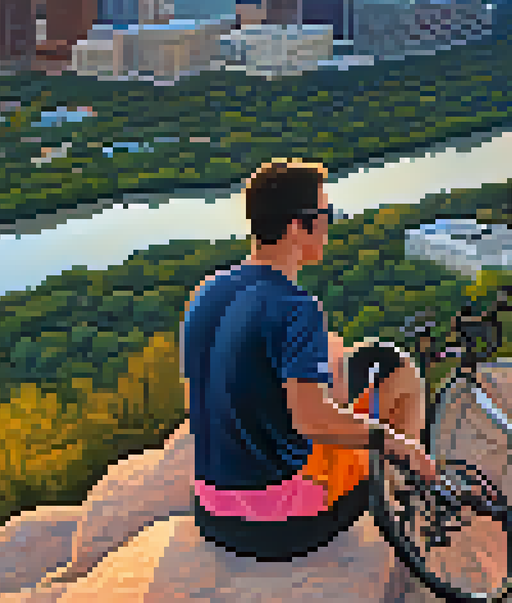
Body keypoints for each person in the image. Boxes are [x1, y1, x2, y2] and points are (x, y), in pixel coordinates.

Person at [181, 159, 439, 561]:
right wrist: (395, 443)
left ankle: (388, 478)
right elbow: (311, 420)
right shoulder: (296, 307)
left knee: (384, 361)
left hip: (211, 512)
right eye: (326, 215)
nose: (329, 226)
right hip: (283, 525)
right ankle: (404, 496)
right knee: (395, 393)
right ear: (296, 227)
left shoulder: (206, 292)